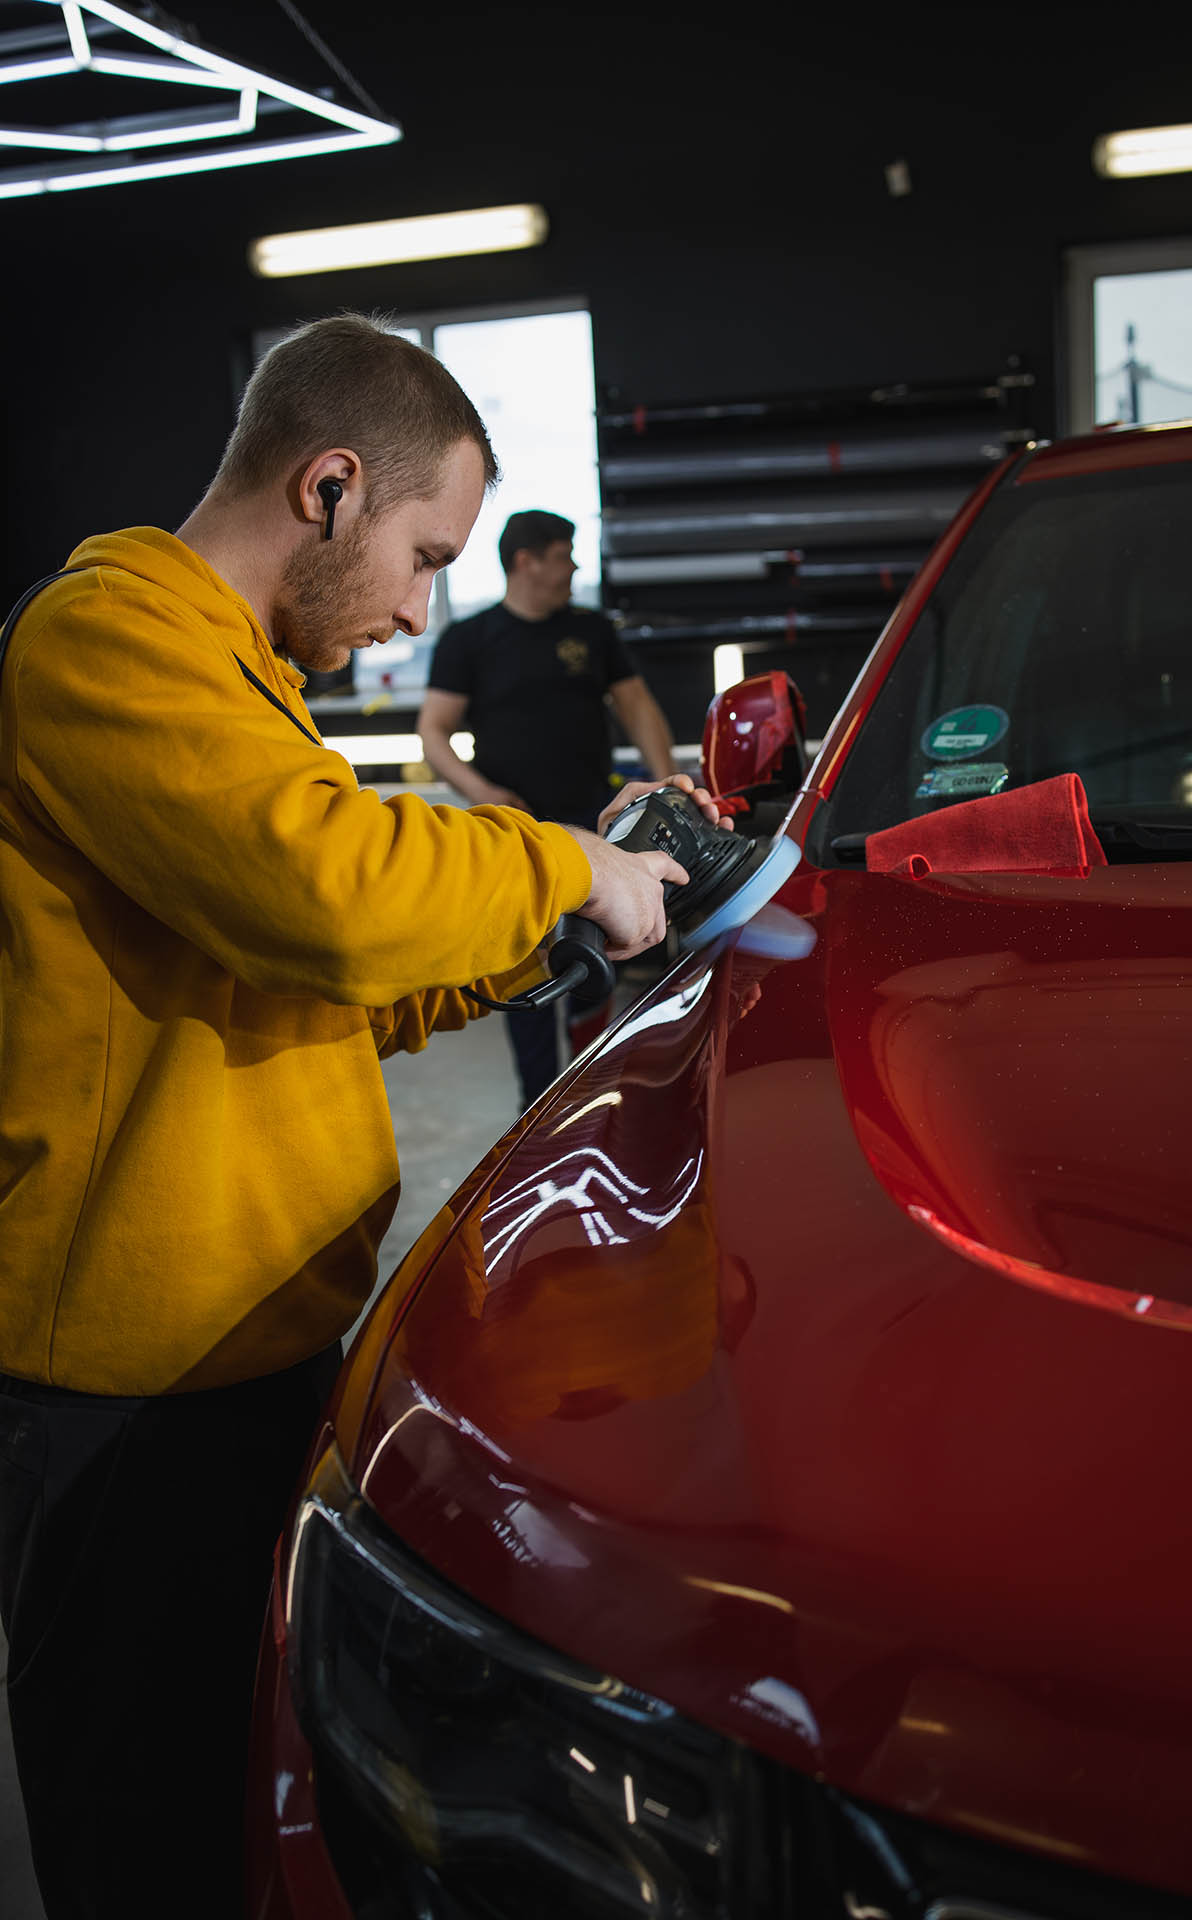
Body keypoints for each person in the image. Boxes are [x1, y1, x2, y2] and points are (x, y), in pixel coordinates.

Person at [0, 314, 722, 1920]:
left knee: (246, 1809)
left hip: (243, 1353)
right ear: (328, 485)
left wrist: (527, 947)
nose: (417, 611)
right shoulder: (102, 639)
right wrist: (563, 867)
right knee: (149, 1837)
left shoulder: (240, 679)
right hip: (129, 1393)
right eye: (421, 554)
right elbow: (323, 897)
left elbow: (310, 978)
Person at [417, 508, 677, 1106]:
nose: (575, 566)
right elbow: (434, 732)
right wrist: (482, 794)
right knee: (526, 979)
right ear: (526, 561)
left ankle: (599, 1102)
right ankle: (536, 1111)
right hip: (519, 841)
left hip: (596, 831)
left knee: (597, 976)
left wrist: (664, 782)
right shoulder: (470, 640)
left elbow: (638, 707)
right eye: (564, 554)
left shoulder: (591, 632)